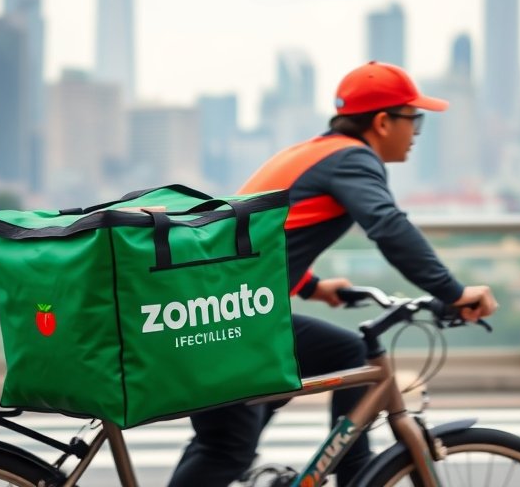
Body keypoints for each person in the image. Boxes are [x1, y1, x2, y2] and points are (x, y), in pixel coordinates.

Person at [168, 61, 498, 487]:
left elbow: (262, 236)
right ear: (383, 122)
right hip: (230, 319)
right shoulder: (352, 159)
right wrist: (453, 293)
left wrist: (313, 287)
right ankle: (357, 474)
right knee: (227, 446)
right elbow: (389, 227)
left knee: (245, 425)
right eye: (413, 119)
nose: (416, 132)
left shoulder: (311, 153)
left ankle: (354, 472)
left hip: (221, 308)